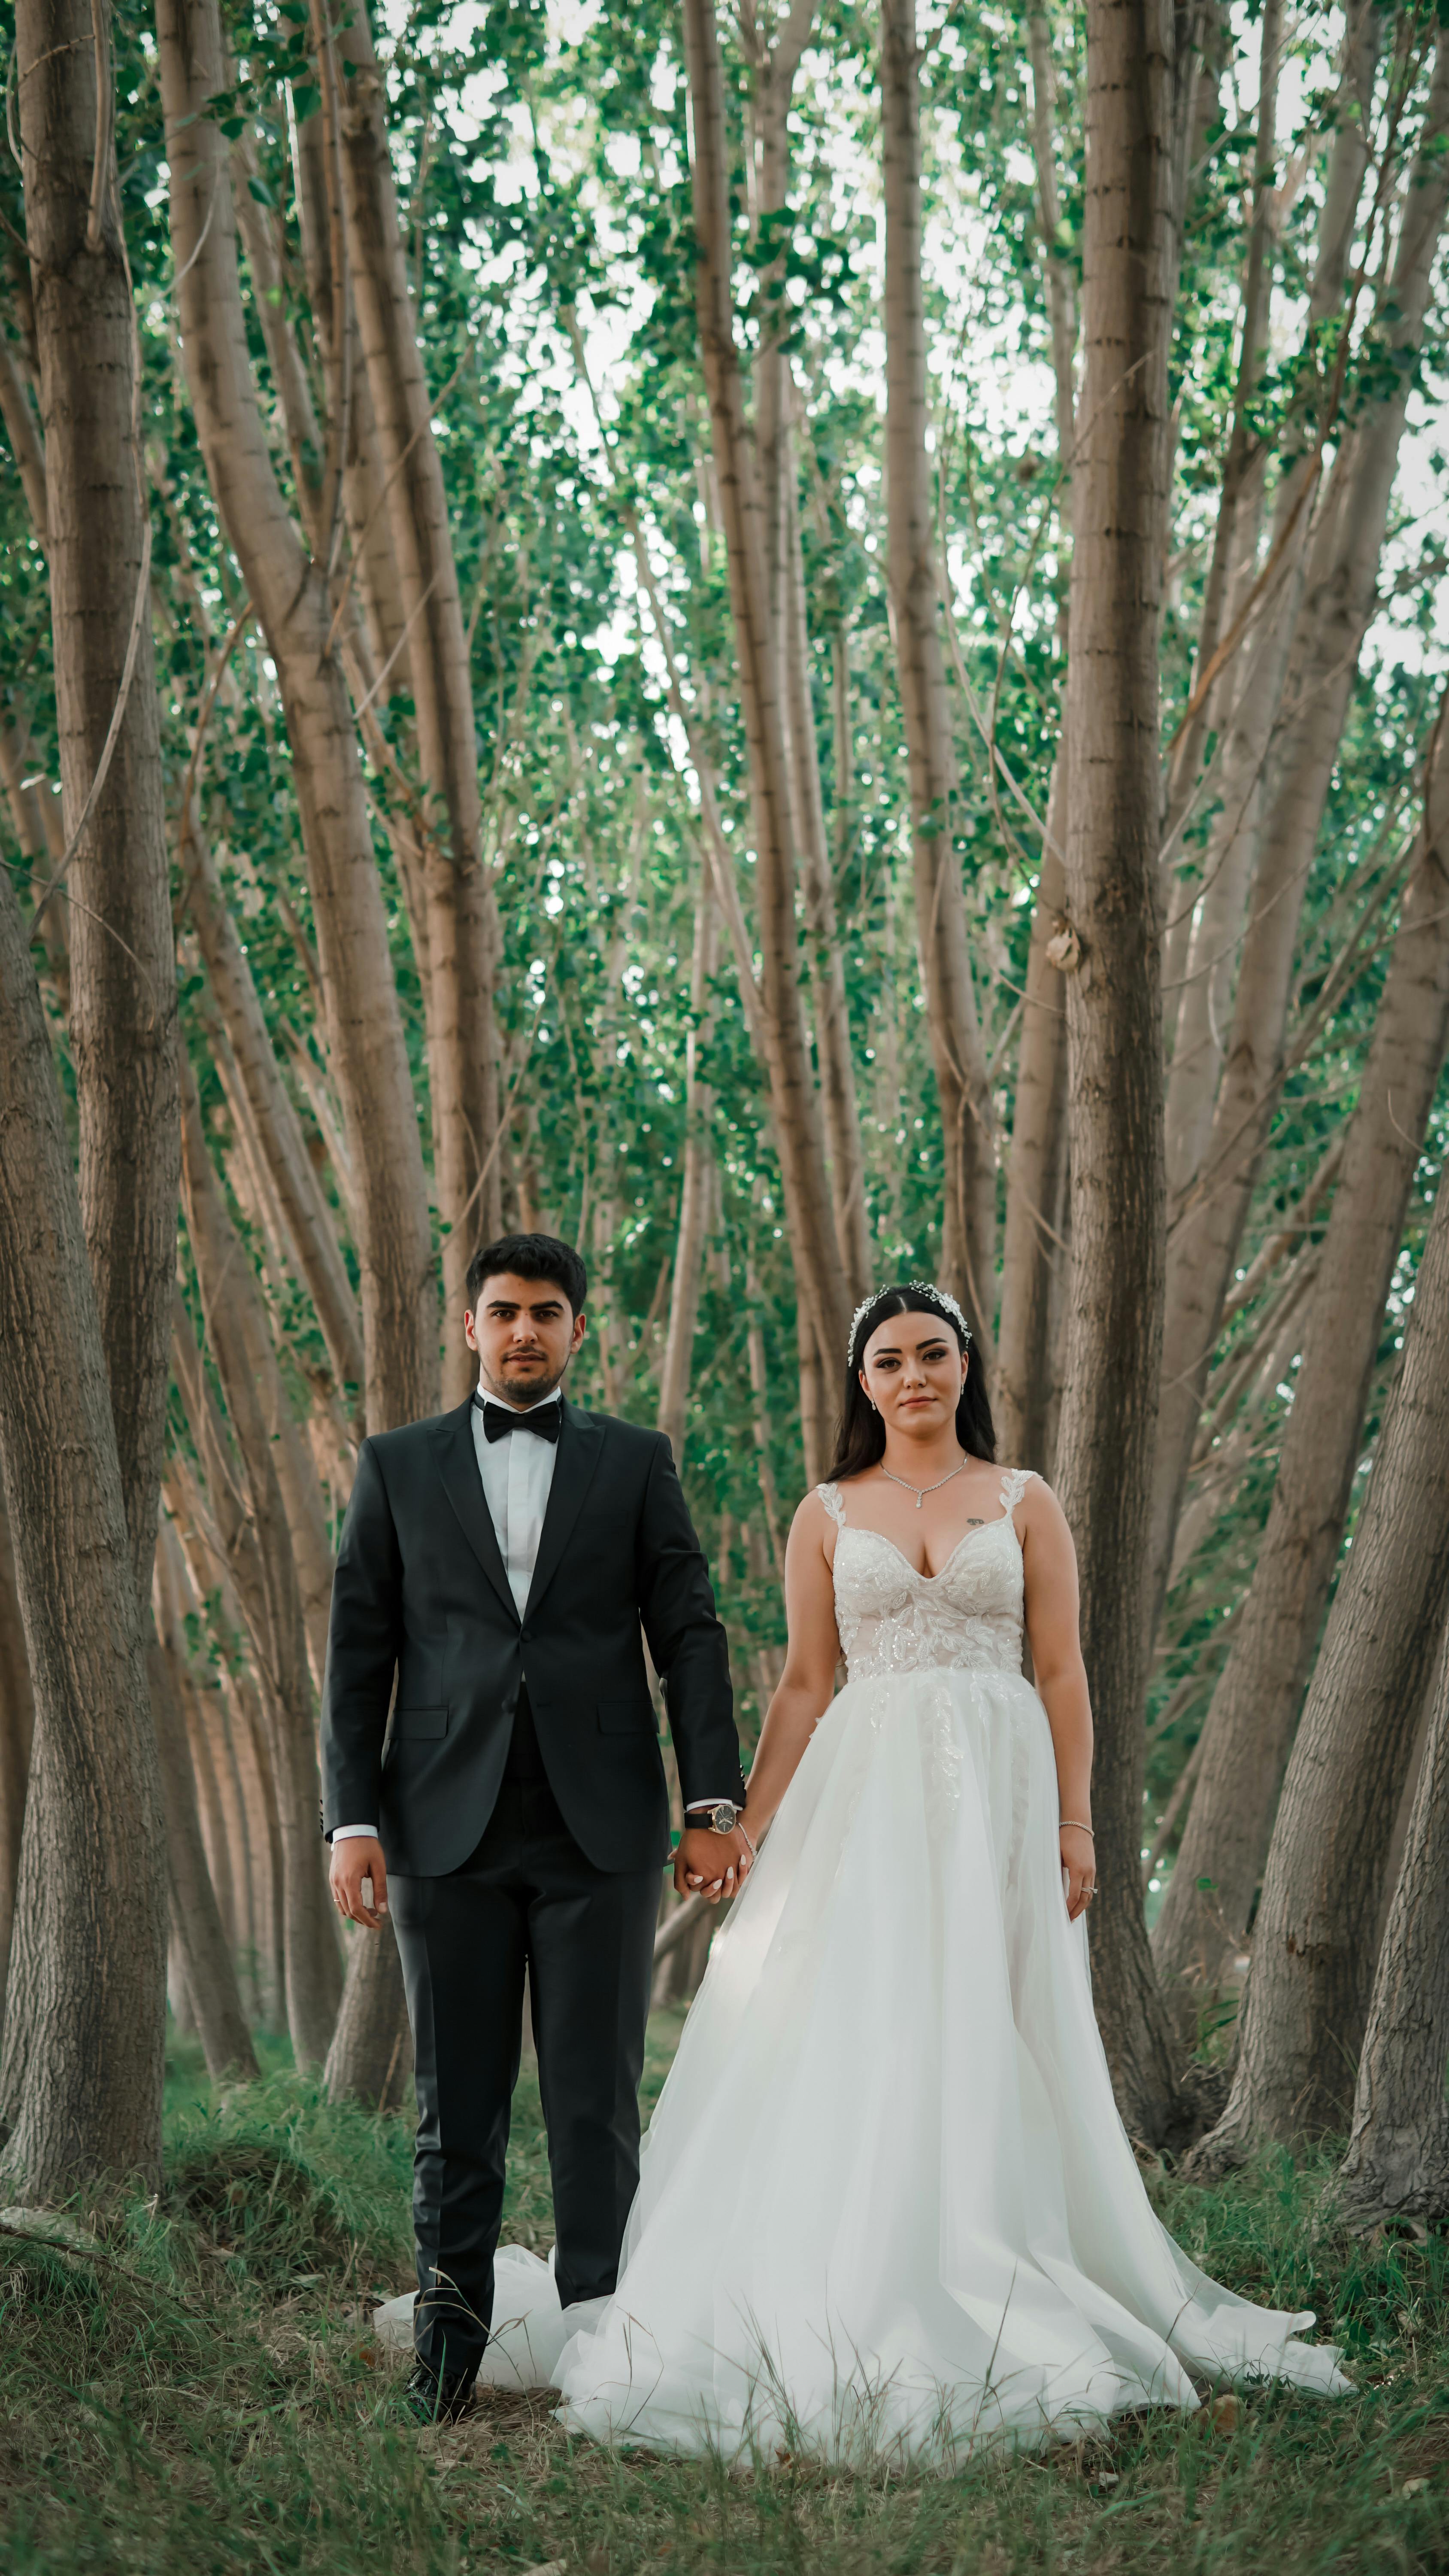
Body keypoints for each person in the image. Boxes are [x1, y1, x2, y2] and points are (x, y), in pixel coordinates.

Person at [443, 1281, 1350, 2467]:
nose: (912, 1376)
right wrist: (742, 1822)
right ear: (863, 1382)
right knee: (859, 2019)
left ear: (967, 1366)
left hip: (1001, 1795)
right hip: (864, 1800)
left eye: (932, 1354)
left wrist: (1078, 1823)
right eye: (888, 1361)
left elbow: (1065, 1671)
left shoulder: (1026, 1501)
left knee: (989, 2018)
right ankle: (855, 2259)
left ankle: (997, 2238)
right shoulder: (827, 1512)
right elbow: (807, 1682)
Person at [322, 1233, 750, 2421]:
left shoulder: (635, 1462)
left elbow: (692, 1633)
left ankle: (610, 2368)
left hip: (598, 1827)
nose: (523, 1330)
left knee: (595, 2108)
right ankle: (445, 2362)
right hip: (439, 1822)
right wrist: (348, 1822)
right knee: (453, 2109)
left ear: (578, 1330)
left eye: (546, 1312)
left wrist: (714, 1803)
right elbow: (359, 1653)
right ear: (470, 1326)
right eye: (503, 1310)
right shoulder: (395, 1465)